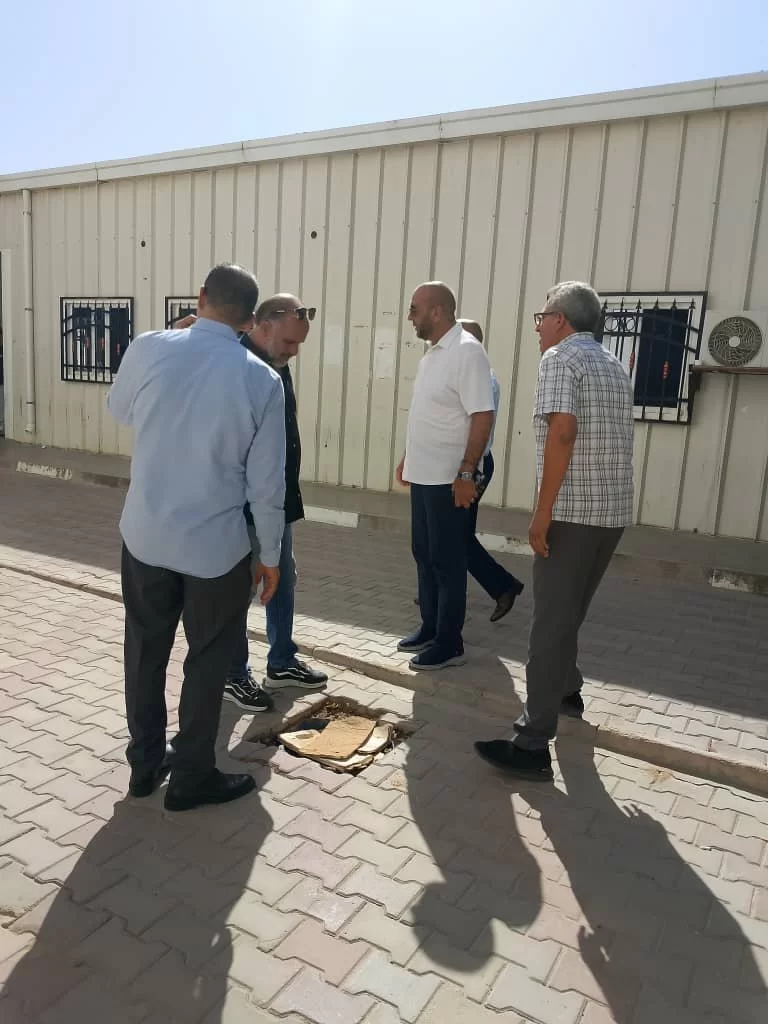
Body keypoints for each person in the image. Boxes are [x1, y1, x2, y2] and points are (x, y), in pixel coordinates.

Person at [108, 263, 286, 811]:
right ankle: (191, 776)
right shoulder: (263, 380)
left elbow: (119, 410)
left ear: (201, 297)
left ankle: (144, 766)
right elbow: (267, 485)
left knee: (144, 651)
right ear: (251, 320)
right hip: (216, 549)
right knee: (207, 662)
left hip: (146, 535)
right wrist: (271, 556)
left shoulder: (149, 347)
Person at [475, 281, 634, 780]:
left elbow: (563, 432)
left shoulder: (560, 359)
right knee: (569, 612)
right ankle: (567, 689)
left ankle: (531, 742)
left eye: (542, 317)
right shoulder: (613, 363)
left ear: (560, 319)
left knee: (549, 625)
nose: (539, 327)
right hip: (611, 514)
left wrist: (542, 513)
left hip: (572, 513)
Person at [224, 294, 328, 708]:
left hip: (278, 498)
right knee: (242, 588)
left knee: (283, 578)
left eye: (299, 344)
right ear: (262, 326)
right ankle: (233, 674)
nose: (294, 352)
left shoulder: (276, 363)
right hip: (246, 506)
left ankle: (282, 661)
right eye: (289, 342)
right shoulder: (238, 367)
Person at [396, 282, 495, 670]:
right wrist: (408, 458)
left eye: (414, 308)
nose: (410, 316)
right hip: (423, 475)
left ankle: (450, 642)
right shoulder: (433, 354)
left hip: (448, 479)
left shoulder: (467, 352)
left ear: (436, 311)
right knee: (423, 553)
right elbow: (430, 413)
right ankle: (430, 628)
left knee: (447, 561)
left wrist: (467, 472)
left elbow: (481, 414)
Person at [457, 318, 524, 622]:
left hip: (472, 466)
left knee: (456, 536)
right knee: (455, 533)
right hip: (465, 465)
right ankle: (442, 589)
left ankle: (503, 586)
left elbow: (475, 429)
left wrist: (466, 472)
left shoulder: (482, 379)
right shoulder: (468, 375)